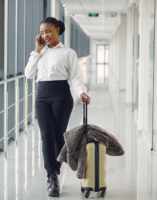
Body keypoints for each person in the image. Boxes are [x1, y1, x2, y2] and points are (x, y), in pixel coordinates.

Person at [24, 17, 90, 197]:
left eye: (49, 31)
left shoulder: (68, 53)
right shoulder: (39, 52)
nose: (45, 35)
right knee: (46, 135)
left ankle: (56, 170)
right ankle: (52, 176)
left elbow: (76, 77)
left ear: (57, 31)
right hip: (42, 96)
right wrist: (37, 51)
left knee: (59, 135)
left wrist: (82, 92)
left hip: (61, 95)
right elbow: (29, 74)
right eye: (42, 32)